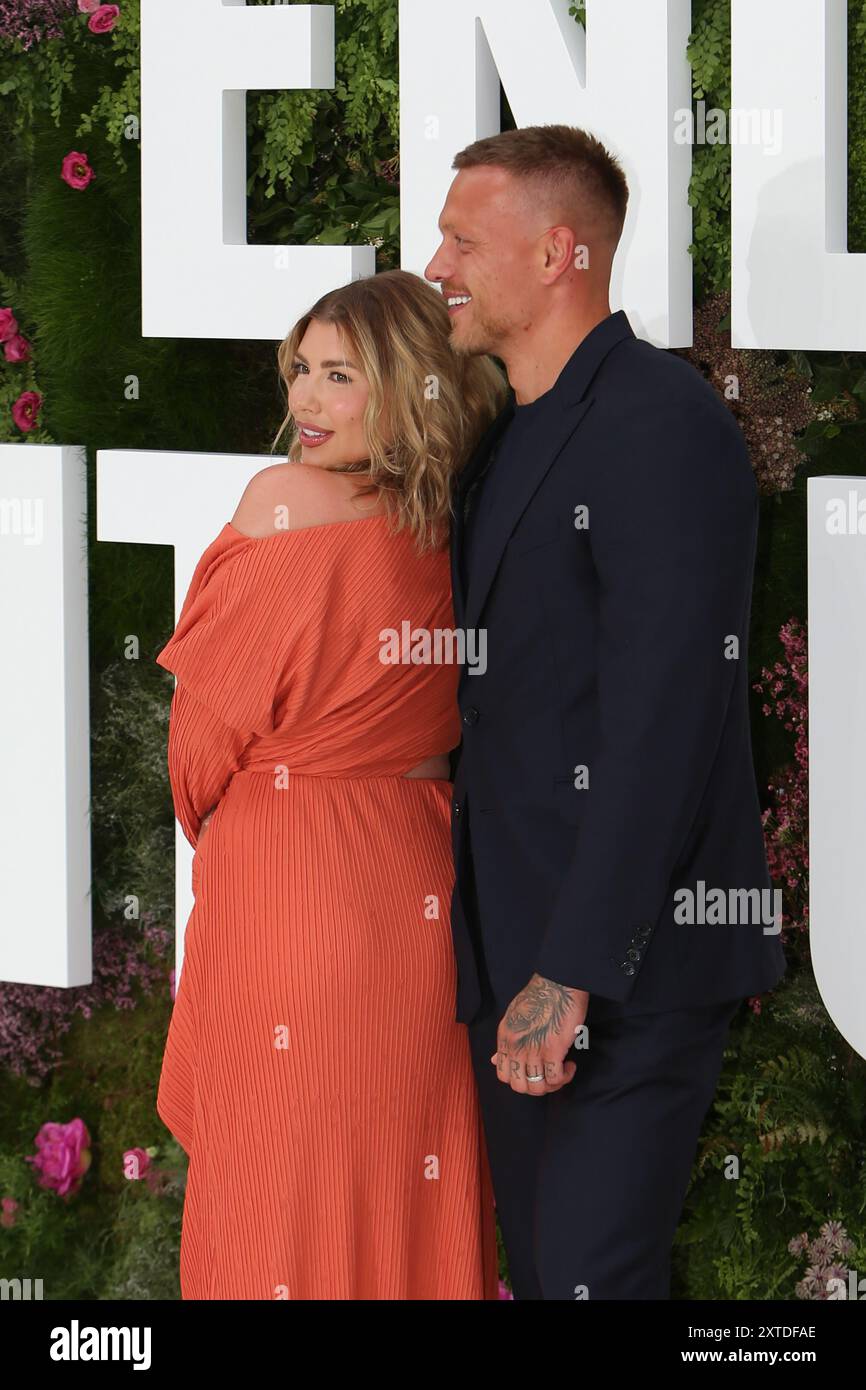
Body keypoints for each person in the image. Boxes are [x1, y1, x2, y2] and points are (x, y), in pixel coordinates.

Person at [425, 124, 787, 1300]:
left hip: (623, 971)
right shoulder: (509, 433)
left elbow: (665, 719)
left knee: (590, 1276)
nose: (438, 267)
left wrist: (571, 970)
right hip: (513, 959)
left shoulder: (657, 422)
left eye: (462, 240)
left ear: (555, 255)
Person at [155, 268, 509, 1299]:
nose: (304, 400)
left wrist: (250, 813)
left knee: (277, 1183)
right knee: (400, 1179)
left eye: (338, 376)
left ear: (404, 387)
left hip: (295, 877)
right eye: (299, 369)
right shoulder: (465, 531)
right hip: (421, 890)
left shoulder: (282, 505)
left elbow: (196, 752)